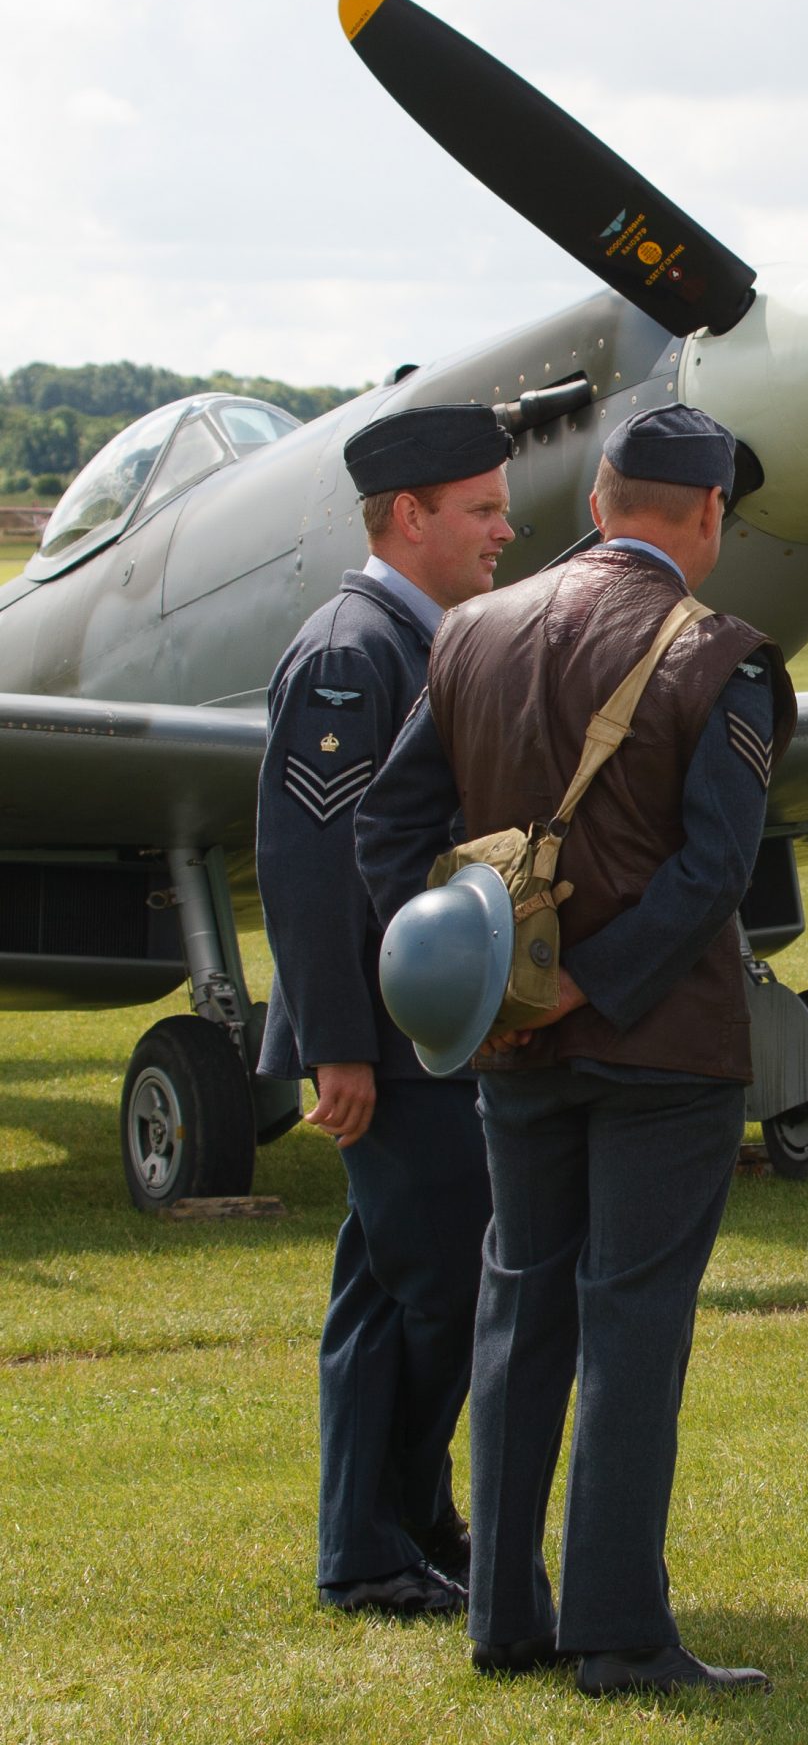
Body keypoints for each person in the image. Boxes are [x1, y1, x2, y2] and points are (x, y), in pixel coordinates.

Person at [355, 403, 797, 1696]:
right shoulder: (720, 656)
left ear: (598, 501)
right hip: (663, 1049)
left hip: (508, 1049)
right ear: (709, 517)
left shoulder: (468, 633)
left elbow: (387, 832)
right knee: (632, 1326)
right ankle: (615, 1634)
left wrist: (470, 981)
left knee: (516, 1310)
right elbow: (717, 867)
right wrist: (594, 986)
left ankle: (501, 1615)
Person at [255, 402, 514, 1617]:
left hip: (415, 1036)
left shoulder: (423, 638)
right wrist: (338, 1052)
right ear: (407, 517)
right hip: (389, 1049)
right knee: (441, 1288)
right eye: (481, 509)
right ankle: (377, 1542)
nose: (504, 531)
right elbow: (308, 873)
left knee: (390, 1289)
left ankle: (397, 1527)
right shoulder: (352, 655)